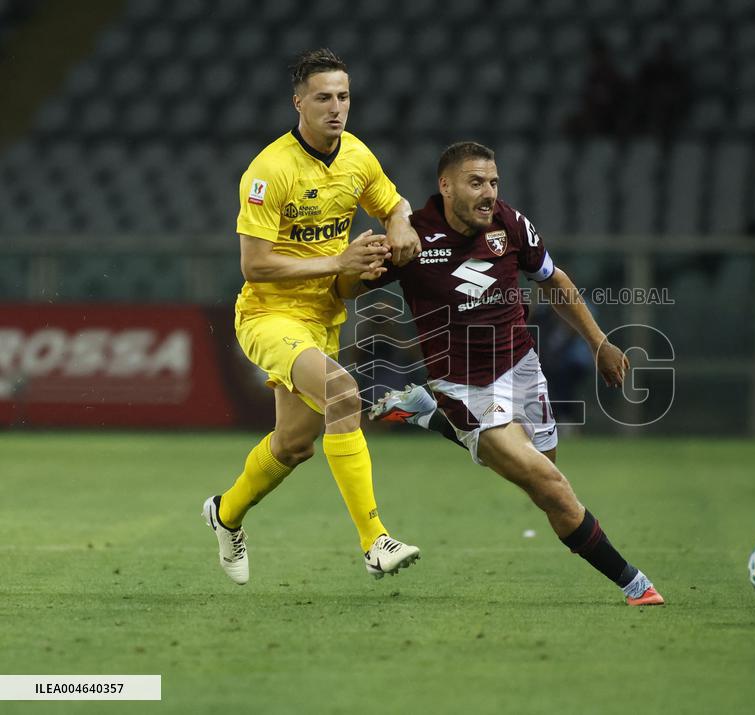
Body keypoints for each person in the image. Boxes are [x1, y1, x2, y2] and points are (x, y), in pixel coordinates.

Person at [339, 142, 663, 606]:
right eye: (476, 182)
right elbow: (347, 288)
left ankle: (427, 415)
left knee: (546, 478)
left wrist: (599, 342)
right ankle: (636, 584)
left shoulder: (510, 225)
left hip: (522, 368)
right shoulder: (412, 239)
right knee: (551, 489)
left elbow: (553, 280)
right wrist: (350, 263)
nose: (488, 192)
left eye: (493, 182)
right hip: (463, 387)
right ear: (445, 186)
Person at [202, 49, 422, 585]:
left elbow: (393, 203)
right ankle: (375, 541)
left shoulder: (357, 158)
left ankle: (225, 514)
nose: (336, 108)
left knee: (293, 445)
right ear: (298, 102)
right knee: (344, 393)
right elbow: (253, 265)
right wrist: (340, 260)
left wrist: (401, 224)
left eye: (343, 97)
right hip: (268, 316)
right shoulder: (269, 170)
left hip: (323, 319)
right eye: (323, 97)